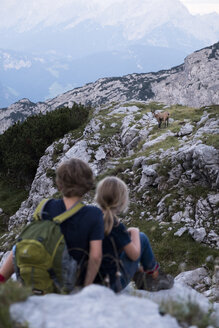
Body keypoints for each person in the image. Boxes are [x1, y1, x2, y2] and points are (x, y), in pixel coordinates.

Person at [0, 158, 104, 288]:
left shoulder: (45, 206)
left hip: (39, 275)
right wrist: (85, 288)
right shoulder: (94, 214)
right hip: (67, 282)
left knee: (18, 246)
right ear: (88, 186)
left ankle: (1, 278)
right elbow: (96, 256)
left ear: (59, 184)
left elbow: (23, 242)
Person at [94, 176, 174, 293]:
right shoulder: (115, 226)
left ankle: (142, 275)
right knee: (142, 238)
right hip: (112, 285)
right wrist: (134, 232)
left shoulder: (91, 217)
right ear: (122, 201)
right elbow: (134, 255)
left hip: (91, 280)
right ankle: (154, 278)